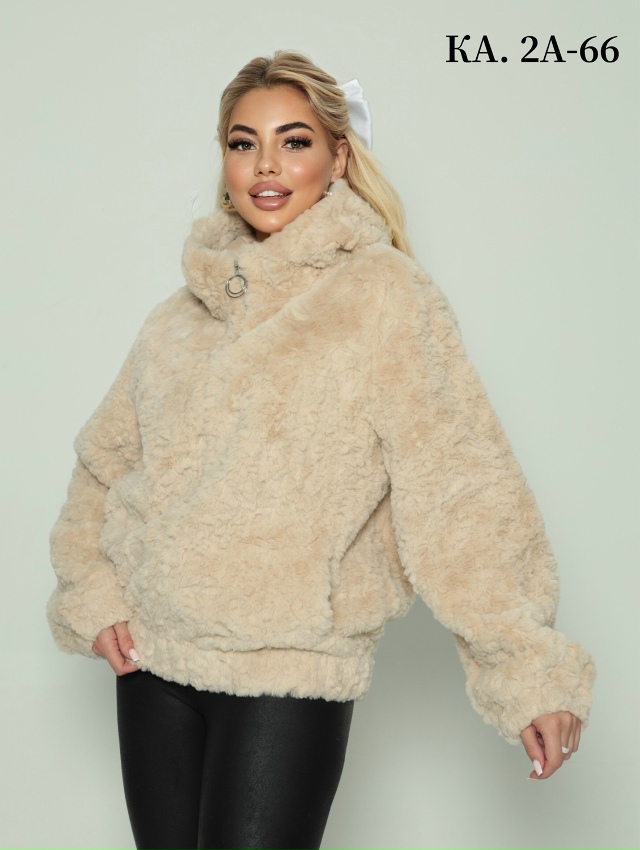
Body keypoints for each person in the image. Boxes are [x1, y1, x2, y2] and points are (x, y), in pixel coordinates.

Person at [47, 50, 595, 850]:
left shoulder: (384, 296)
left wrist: (527, 670)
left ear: (338, 157)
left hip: (289, 671)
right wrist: (94, 595)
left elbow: (462, 490)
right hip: (153, 665)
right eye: (243, 143)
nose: (266, 166)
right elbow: (104, 465)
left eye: (294, 141)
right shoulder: (180, 316)